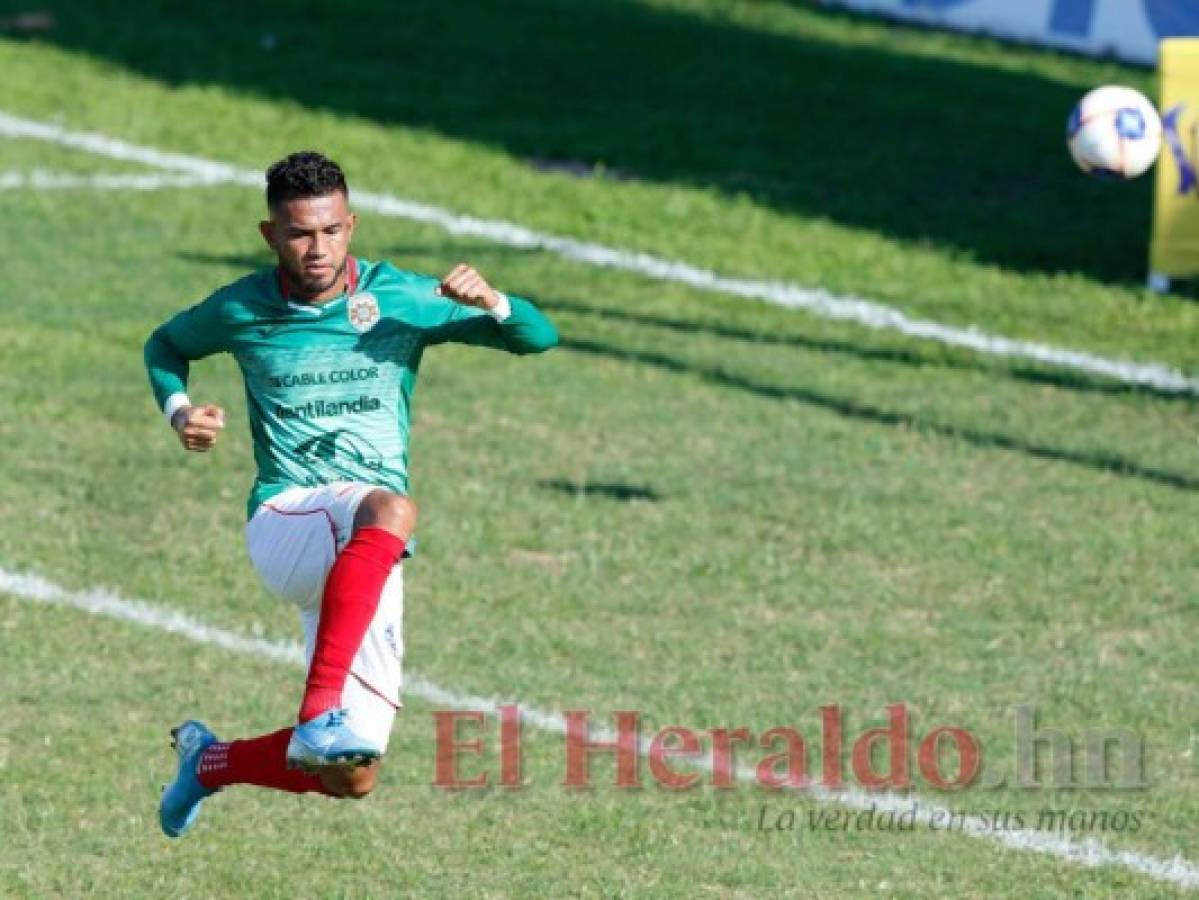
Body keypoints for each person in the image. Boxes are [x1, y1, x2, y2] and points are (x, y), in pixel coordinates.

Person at [144, 150, 558, 837]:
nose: (317, 248)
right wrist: (181, 411)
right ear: (269, 234)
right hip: (286, 521)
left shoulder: (401, 297)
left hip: (366, 555)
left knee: (353, 773)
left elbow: (539, 338)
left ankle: (208, 762)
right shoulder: (241, 307)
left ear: (352, 225)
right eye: (300, 233)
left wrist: (493, 302)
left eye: (331, 230)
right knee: (389, 507)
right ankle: (317, 713)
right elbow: (165, 345)